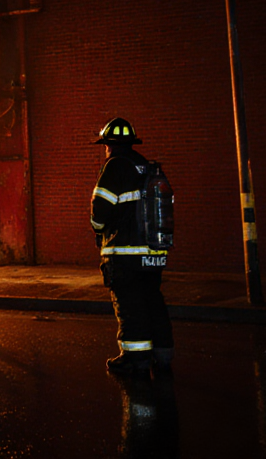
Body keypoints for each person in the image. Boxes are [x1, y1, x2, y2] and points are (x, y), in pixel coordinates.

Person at [90, 117, 173, 376]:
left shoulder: (115, 166)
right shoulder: (147, 167)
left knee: (129, 305)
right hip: (153, 252)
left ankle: (135, 360)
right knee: (153, 302)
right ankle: (163, 356)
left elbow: (99, 209)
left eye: (105, 145)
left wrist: (97, 227)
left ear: (109, 145)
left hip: (125, 253)